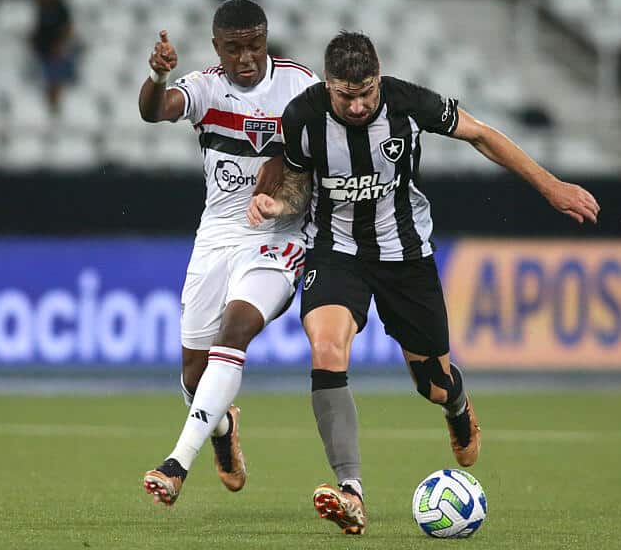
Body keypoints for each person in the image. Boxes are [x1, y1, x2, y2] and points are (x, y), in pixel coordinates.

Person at [247, 31, 600, 535]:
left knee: (433, 385)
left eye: (366, 92)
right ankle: (351, 491)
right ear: (328, 85)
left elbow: (480, 134)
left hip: (406, 255)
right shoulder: (302, 116)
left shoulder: (409, 103)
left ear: (379, 78)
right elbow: (298, 189)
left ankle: (457, 404)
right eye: (346, 95)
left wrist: (550, 186)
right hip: (335, 250)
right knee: (326, 348)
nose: (358, 105)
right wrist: (276, 204)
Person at [138, 0, 318, 506]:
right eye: (234, 48)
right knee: (194, 377)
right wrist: (158, 77)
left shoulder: (300, 85)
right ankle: (222, 428)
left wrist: (285, 173)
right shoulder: (204, 87)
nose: (246, 57)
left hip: (280, 236)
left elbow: (324, 149)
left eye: (255, 45)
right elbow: (155, 111)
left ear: (266, 41)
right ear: (217, 47)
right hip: (218, 234)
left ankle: (176, 463)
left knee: (234, 331)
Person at [29, 0, 79, 112]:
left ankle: (54, 101)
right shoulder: (39, 6)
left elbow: (67, 29)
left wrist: (60, 46)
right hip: (43, 51)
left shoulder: (60, 8)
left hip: (55, 51)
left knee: (55, 74)